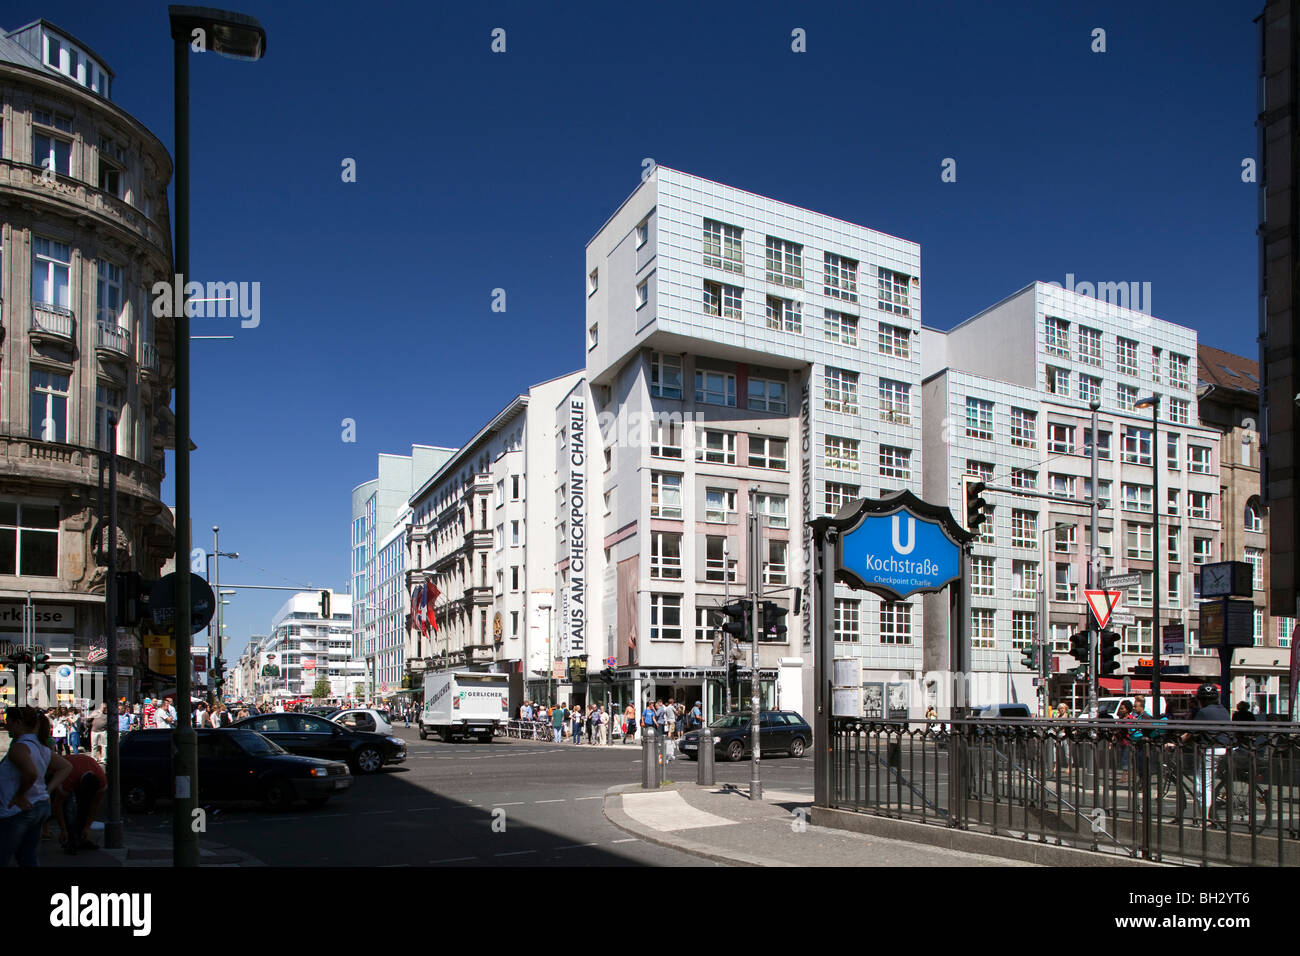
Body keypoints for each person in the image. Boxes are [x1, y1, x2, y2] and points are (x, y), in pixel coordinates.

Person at [0, 706, 72, 867]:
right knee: (28, 857)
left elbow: (30, 773)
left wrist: (20, 794)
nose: (6, 726)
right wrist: (47, 790)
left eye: (8, 722)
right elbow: (66, 766)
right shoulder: (40, 747)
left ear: (18, 723)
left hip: (17, 811)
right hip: (39, 805)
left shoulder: (20, 747)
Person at [1166, 683, 1230, 825]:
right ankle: (1205, 811)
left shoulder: (1203, 712)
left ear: (1200, 699)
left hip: (1211, 749)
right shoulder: (1224, 710)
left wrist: (1175, 744)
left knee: (1203, 784)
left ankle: (1205, 819)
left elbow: (1191, 732)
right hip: (1226, 748)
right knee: (1211, 781)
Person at [52, 751, 106, 854]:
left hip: (80, 767)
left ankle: (81, 837)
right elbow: (57, 805)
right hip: (62, 769)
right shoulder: (68, 778)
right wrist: (63, 829)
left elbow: (95, 805)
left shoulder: (102, 782)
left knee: (85, 807)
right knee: (67, 809)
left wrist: (87, 827)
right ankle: (70, 840)